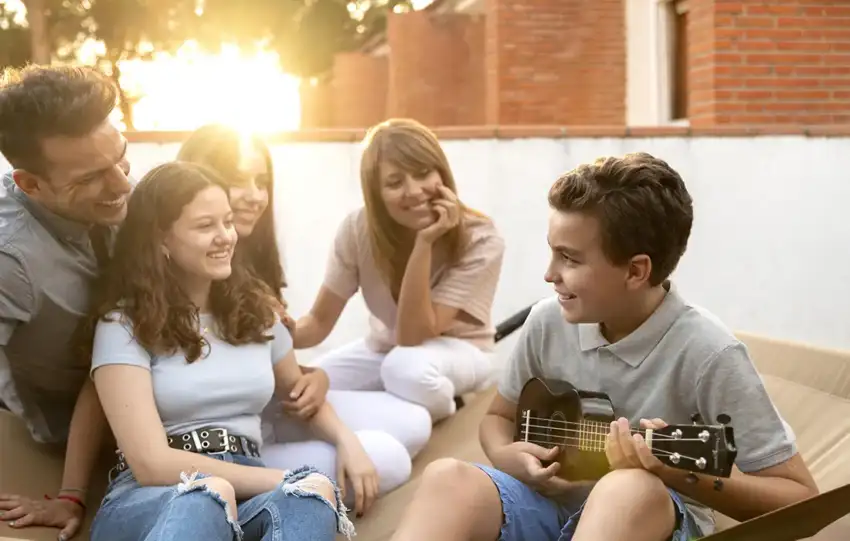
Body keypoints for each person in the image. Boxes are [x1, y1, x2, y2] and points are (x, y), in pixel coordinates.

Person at [388, 152, 820, 541]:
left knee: (627, 487)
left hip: (647, 523)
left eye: (570, 258)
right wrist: (506, 455)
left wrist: (682, 475)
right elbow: (499, 417)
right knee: (448, 478)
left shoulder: (710, 353)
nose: (549, 274)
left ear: (635, 271)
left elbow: (800, 497)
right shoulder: (547, 321)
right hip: (548, 510)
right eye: (552, 253)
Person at [84, 160, 370, 541]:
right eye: (206, 226)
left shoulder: (258, 314)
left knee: (310, 493)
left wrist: (347, 441)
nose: (226, 237)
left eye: (228, 221)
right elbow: (150, 463)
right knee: (209, 494)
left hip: (246, 487)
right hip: (150, 499)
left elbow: (299, 392)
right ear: (160, 239)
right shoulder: (122, 325)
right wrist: (281, 477)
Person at [176, 124, 422, 503]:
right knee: (386, 457)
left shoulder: (251, 270)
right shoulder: (175, 280)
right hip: (228, 445)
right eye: (239, 180)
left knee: (413, 425)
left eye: (262, 181)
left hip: (272, 412)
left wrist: (316, 376)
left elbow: (275, 362)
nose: (255, 195)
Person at [292, 118, 505, 427]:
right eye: (394, 183)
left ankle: (447, 418)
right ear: (376, 194)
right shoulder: (357, 231)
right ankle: (393, 418)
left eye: (423, 174)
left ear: (441, 173)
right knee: (304, 388)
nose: (414, 191)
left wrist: (425, 242)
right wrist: (270, 329)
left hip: (460, 353)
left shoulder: (481, 237)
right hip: (384, 348)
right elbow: (318, 323)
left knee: (405, 370)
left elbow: (414, 334)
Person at [0, 65, 131, 536]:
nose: (121, 185)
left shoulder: (117, 196)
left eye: (121, 158)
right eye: (91, 178)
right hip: (55, 449)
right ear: (30, 183)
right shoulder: (8, 259)